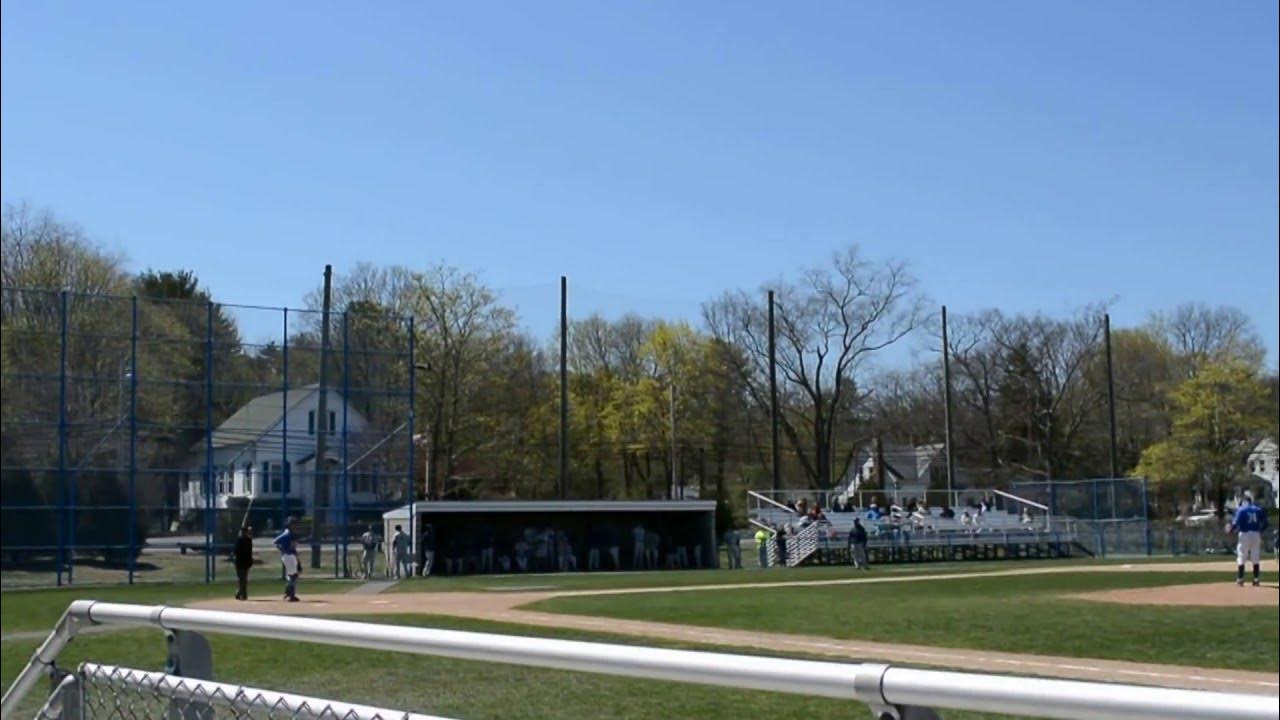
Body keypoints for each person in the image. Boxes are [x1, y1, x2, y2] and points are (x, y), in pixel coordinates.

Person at [1230, 492, 1269, 587]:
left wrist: (1231, 531)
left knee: (1242, 555)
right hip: (1255, 533)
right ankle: (1256, 579)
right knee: (1255, 556)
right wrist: (1260, 530)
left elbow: (1235, 524)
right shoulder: (1258, 509)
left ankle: (1240, 579)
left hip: (1244, 533)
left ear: (1244, 501)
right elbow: (1266, 523)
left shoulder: (1241, 510)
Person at [273, 519, 300, 602]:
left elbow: (276, 542)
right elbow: (276, 542)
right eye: (293, 524)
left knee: (292, 575)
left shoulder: (288, 533)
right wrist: (283, 550)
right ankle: (289, 594)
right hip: (289, 556)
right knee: (293, 576)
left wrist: (282, 550)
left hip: (288, 556)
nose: (295, 526)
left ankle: (290, 594)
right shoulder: (290, 533)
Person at [233, 526, 254, 600]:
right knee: (242, 579)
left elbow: (249, 552)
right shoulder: (241, 540)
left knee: (243, 579)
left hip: (244, 562)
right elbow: (236, 551)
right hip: (241, 562)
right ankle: (241, 593)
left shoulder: (246, 540)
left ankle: (241, 593)